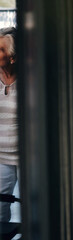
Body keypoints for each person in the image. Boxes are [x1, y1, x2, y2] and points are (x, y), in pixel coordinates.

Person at [0, 27, 18, 222]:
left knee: (35, 207)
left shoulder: (31, 81)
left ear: (12, 58)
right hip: (0, 157)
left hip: (28, 158)